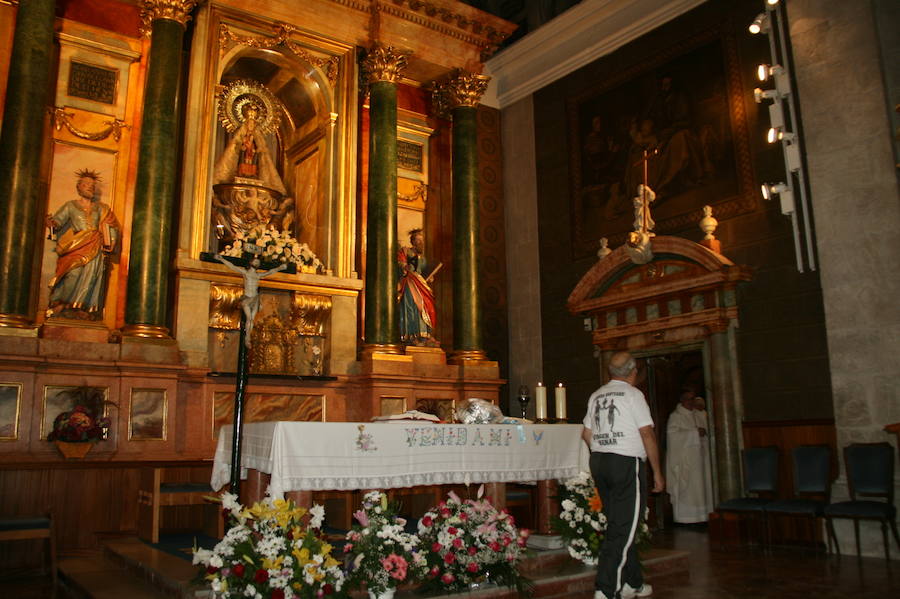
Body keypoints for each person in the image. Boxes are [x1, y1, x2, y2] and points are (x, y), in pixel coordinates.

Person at [582, 352, 664, 599]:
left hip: (600, 462)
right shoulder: (633, 394)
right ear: (633, 372)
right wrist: (657, 472)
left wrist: (603, 448)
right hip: (625, 463)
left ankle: (633, 582)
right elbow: (647, 434)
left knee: (621, 525)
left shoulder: (597, 395)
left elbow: (586, 433)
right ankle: (605, 590)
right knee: (623, 529)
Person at [45, 169, 119, 320]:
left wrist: (111, 240)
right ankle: (62, 305)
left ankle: (82, 307)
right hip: (76, 245)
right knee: (72, 274)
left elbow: (110, 224)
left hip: (96, 244)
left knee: (92, 276)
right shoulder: (70, 206)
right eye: (86, 184)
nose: (90, 187)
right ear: (79, 187)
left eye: (92, 185)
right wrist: (50, 223)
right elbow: (57, 222)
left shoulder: (101, 208)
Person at [214, 254, 287, 347]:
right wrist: (222, 259)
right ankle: (247, 338)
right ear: (251, 262)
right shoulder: (245, 273)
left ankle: (248, 337)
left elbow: (270, 272)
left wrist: (280, 268)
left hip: (255, 298)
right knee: (249, 318)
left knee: (252, 320)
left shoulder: (259, 275)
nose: (257, 263)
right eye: (255, 261)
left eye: (258, 262)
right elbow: (233, 266)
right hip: (248, 298)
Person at [665, 388, 714, 524]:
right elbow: (672, 436)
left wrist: (704, 432)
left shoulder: (699, 415)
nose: (692, 402)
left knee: (702, 488)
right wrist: (693, 433)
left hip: (701, 460)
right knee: (689, 490)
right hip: (685, 462)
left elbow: (708, 431)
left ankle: (704, 516)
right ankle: (686, 519)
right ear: (682, 400)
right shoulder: (676, 416)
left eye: (693, 398)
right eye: (689, 399)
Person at [397, 228, 439, 346]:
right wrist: (405, 267)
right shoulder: (406, 252)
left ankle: (425, 335)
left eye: (422, 241)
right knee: (412, 307)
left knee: (427, 306)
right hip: (410, 283)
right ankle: (412, 335)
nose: (421, 243)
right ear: (413, 242)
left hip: (421, 284)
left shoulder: (423, 258)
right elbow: (400, 263)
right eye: (419, 241)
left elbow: (424, 272)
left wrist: (430, 277)